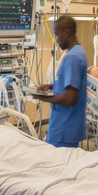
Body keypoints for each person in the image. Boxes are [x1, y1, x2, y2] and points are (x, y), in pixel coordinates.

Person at [34, 15, 88, 148]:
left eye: (57, 35)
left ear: (67, 32)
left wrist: (43, 98)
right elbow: (73, 84)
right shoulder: (79, 52)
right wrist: (52, 86)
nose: (56, 40)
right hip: (69, 127)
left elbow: (70, 98)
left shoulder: (72, 58)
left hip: (63, 129)